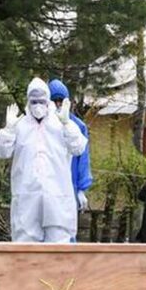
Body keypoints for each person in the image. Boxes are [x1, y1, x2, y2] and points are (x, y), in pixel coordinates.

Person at [0, 77, 88, 243]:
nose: (38, 105)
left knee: (59, 249)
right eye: (34, 101)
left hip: (57, 198)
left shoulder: (60, 124)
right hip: (26, 199)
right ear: (28, 101)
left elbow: (79, 147)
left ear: (48, 101)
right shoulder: (20, 125)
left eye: (42, 101)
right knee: (26, 249)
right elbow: (1, 152)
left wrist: (67, 124)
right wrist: (8, 130)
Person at [48, 79, 92, 238]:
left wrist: (81, 189)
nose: (58, 104)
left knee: (66, 230)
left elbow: (83, 157)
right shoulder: (41, 124)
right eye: (54, 100)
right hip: (46, 184)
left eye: (61, 100)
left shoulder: (77, 126)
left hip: (69, 184)